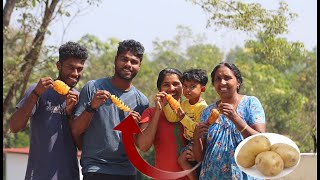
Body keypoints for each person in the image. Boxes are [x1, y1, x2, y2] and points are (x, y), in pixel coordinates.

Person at [71, 39, 149, 180]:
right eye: (124, 59)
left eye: (134, 61)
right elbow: (76, 129)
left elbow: (141, 144)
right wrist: (92, 106)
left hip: (127, 171)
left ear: (139, 66)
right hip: (95, 168)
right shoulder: (93, 88)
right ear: (115, 60)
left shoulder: (142, 101)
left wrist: (133, 126)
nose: (128, 65)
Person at [8, 41, 88, 180]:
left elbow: (82, 146)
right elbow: (15, 127)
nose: (75, 73)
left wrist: (70, 114)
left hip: (69, 175)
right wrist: (35, 95)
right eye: (70, 67)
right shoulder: (38, 90)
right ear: (59, 65)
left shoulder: (80, 99)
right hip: (38, 175)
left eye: (79, 69)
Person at [193, 62, 266, 180]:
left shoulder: (250, 103)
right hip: (211, 175)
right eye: (217, 79)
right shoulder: (207, 112)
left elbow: (261, 140)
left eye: (227, 78)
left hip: (244, 176)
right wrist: (196, 138)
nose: (222, 82)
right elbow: (200, 158)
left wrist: (235, 118)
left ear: (238, 82)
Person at [136, 68, 192, 180]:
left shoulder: (192, 110)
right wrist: (158, 111)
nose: (171, 88)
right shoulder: (150, 113)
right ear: (160, 89)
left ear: (183, 86)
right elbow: (143, 146)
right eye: (166, 85)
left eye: (176, 84)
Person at [173, 69, 208, 180]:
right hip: (188, 140)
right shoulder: (184, 103)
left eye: (192, 86)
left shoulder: (202, 107)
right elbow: (175, 116)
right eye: (185, 86)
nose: (187, 90)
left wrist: (183, 118)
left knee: (181, 160)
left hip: (197, 141)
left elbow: (197, 129)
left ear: (202, 89)